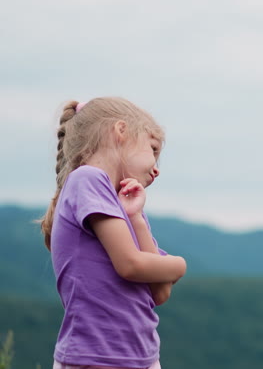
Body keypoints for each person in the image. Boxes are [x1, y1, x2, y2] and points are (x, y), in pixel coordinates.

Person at [40, 97, 186, 369]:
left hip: (140, 355)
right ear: (121, 131)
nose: (156, 168)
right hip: (97, 357)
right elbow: (130, 265)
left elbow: (159, 292)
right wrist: (180, 264)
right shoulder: (88, 179)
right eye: (152, 149)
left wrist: (136, 219)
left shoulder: (124, 207)